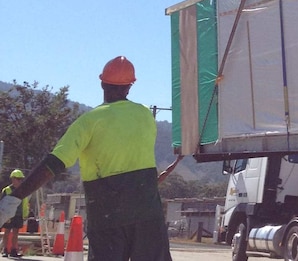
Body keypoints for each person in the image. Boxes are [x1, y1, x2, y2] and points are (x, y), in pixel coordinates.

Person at [0, 56, 173, 261]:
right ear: (129, 86)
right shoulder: (145, 116)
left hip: (108, 214)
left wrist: (14, 199)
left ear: (102, 83)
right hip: (147, 212)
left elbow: (54, 163)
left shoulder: (89, 122)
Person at [1, 170, 29, 258]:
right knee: (7, 232)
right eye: (18, 179)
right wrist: (4, 215)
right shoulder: (7, 190)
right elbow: (2, 203)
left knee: (16, 233)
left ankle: (13, 250)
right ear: (13, 179)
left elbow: (25, 203)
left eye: (21, 179)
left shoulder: (24, 189)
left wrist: (25, 214)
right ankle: (5, 250)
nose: (20, 181)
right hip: (9, 215)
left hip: (18, 215)